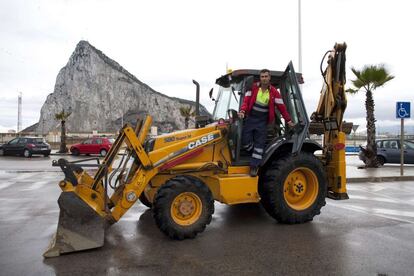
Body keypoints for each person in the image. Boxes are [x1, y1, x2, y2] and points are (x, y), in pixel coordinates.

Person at [238, 69, 294, 177]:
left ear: (269, 78)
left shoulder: (274, 92)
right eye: (262, 76)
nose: (264, 78)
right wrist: (242, 111)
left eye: (266, 76)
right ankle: (255, 153)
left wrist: (289, 121)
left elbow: (282, 108)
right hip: (251, 119)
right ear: (260, 78)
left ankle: (254, 167)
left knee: (259, 145)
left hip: (262, 122)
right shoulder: (253, 88)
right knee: (245, 141)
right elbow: (246, 101)